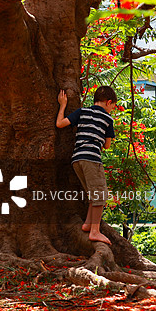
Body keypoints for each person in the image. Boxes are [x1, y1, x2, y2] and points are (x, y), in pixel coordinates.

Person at [56, 86, 117, 245]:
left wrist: (63, 105)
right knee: (100, 195)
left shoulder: (82, 111)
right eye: (113, 107)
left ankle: (88, 224)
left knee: (93, 194)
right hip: (92, 159)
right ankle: (95, 232)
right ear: (108, 102)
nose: (112, 110)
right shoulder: (107, 119)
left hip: (77, 159)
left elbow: (60, 123)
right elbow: (107, 145)